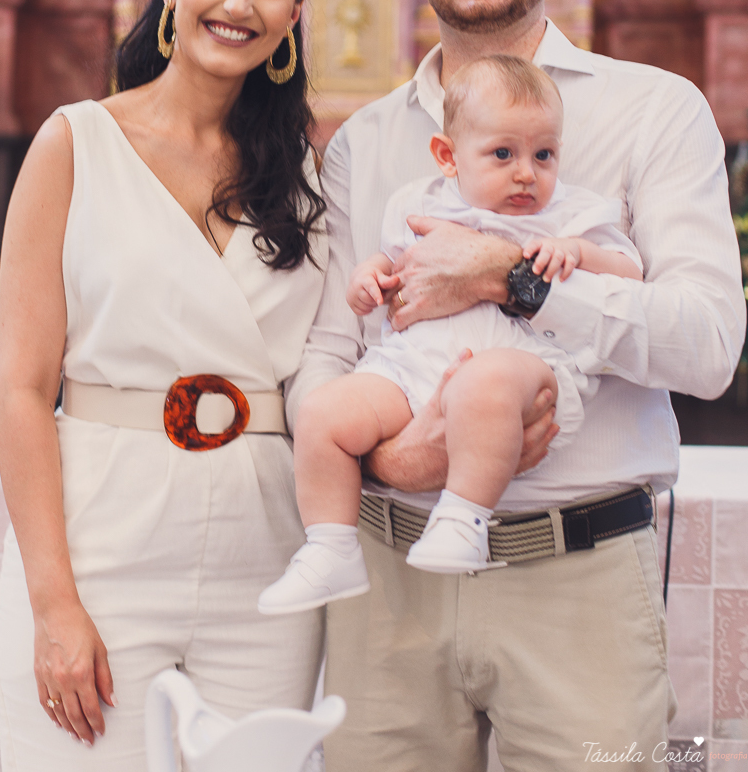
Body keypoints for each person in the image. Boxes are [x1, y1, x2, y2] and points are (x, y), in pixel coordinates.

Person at [286, 0, 746, 771]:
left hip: (576, 576)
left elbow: (706, 347)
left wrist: (510, 277)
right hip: (388, 578)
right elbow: (327, 354)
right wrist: (400, 455)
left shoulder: (654, 110)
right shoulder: (365, 145)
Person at [0, 0, 329, 770]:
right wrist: (54, 603)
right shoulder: (76, 142)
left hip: (267, 559)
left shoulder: (306, 179)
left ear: (293, 15)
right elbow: (21, 390)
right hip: (104, 544)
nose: (240, 2)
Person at [259, 55, 642, 610]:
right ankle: (330, 545)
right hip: (415, 366)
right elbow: (391, 271)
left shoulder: (569, 214)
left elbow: (629, 271)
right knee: (323, 413)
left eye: (544, 155)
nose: (526, 173)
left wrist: (578, 252)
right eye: (503, 154)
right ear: (448, 156)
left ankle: (465, 519)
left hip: (518, 363)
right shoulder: (417, 205)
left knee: (481, 385)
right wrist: (368, 280)